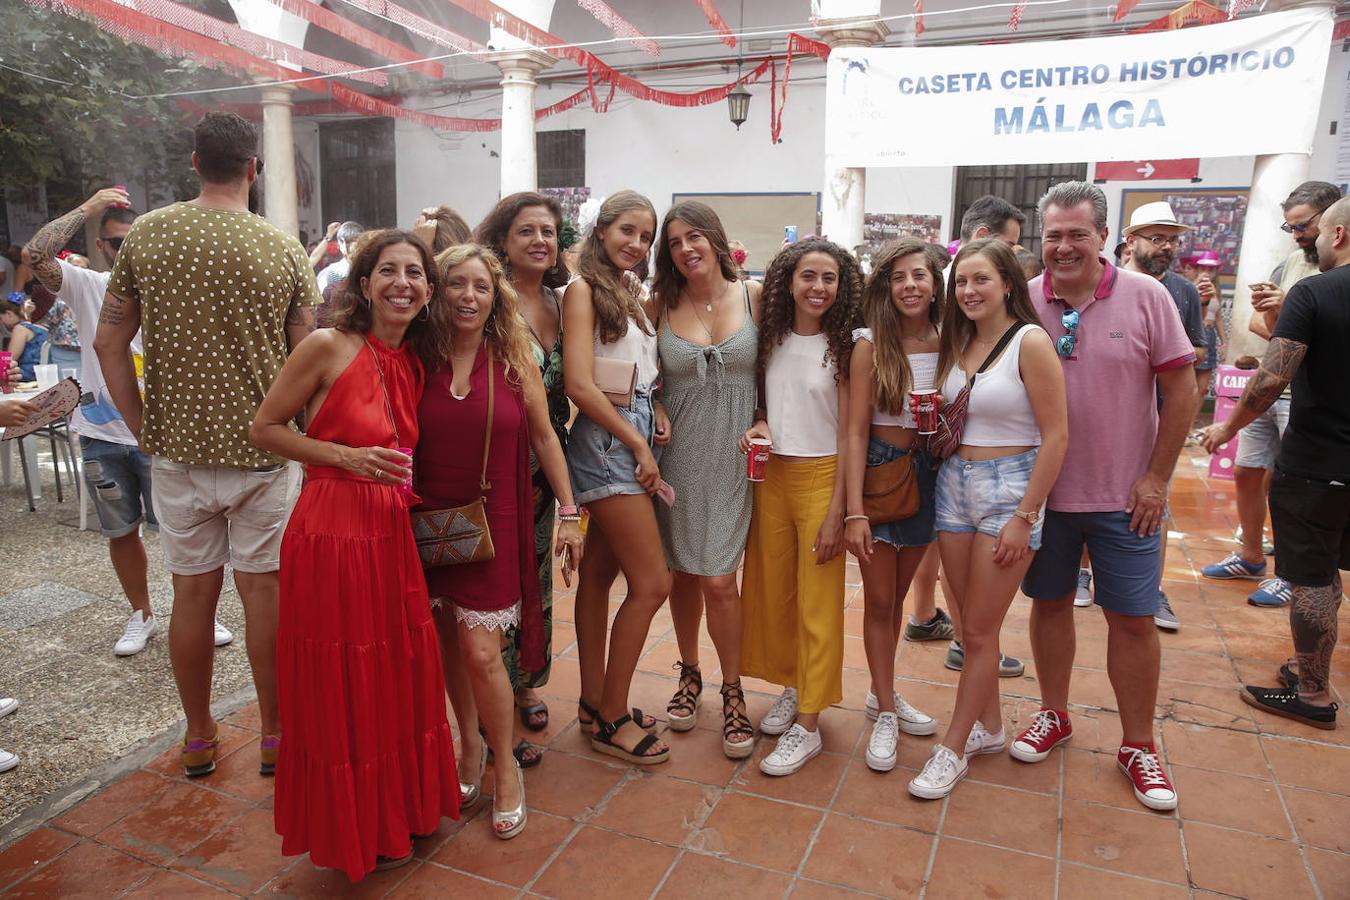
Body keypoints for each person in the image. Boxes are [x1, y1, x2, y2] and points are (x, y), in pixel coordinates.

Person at [94, 112, 320, 779]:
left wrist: (141, 428)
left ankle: (198, 736)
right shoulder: (282, 250)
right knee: (265, 596)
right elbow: (305, 358)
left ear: (195, 162)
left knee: (191, 598)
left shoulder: (149, 236)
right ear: (255, 167)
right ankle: (274, 735)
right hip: (262, 453)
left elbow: (110, 343)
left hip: (180, 456)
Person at [250, 230, 458, 878]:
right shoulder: (325, 346)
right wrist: (345, 455)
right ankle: (351, 830)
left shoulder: (415, 361)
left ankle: (398, 813)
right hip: (331, 532)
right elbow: (264, 428)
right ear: (363, 285)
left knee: (394, 672)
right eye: (388, 271)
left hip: (389, 536)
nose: (403, 282)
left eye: (415, 273)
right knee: (343, 681)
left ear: (428, 291)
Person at [1016, 181, 1196, 813]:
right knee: (1049, 605)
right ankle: (1053, 713)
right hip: (1045, 496)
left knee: (1133, 618)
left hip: (1128, 498)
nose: (1064, 247)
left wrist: (1156, 478)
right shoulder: (1023, 300)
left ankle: (1139, 744)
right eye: (1053, 236)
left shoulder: (1148, 297)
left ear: (1102, 238)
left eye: (1077, 235)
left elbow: (1183, 392)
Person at [23, 187, 234, 656]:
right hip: (102, 432)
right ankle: (141, 614)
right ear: (102, 246)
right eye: (118, 243)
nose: (127, 251)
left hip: (164, 435)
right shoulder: (87, 285)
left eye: (134, 240)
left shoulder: (171, 284)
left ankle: (199, 611)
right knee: (121, 531)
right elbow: (35, 254)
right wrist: (91, 208)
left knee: (187, 532)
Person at [418, 243, 584, 838]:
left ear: (496, 297)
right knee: (448, 648)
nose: (468, 296)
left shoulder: (514, 357)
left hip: (494, 522)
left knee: (484, 653)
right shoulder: (419, 355)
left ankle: (504, 763)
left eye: (481, 287)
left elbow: (545, 438)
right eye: (456, 284)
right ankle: (469, 747)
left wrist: (569, 511)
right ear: (438, 292)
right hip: (427, 524)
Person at [907, 239, 1067, 799]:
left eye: (980, 280)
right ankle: (991, 728)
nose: (969, 291)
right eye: (961, 283)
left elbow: (1057, 437)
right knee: (970, 619)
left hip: (1009, 490)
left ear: (1006, 283)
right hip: (954, 485)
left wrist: (1027, 515)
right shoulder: (959, 341)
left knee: (976, 631)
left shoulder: (1031, 342)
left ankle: (952, 747)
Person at [1200, 196, 1350, 731]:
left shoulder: (1314, 291)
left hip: (1315, 464)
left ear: (1337, 235)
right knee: (1328, 573)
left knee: (1310, 579)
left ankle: (1312, 692)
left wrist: (1227, 427)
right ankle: (1306, 667)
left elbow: (1270, 379)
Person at [739, 238, 860, 776]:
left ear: (842, 285)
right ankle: (794, 683)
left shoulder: (852, 347)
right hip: (773, 477)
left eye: (829, 278)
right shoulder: (771, 338)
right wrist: (761, 422)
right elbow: (768, 401)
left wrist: (841, 509)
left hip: (823, 476)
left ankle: (809, 723)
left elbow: (854, 434)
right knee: (774, 592)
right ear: (788, 280)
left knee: (818, 601)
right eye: (808, 276)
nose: (818, 287)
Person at [563, 190, 673, 765]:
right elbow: (579, 384)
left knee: (601, 576)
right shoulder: (583, 290)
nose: (637, 244)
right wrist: (636, 442)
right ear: (602, 230)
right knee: (654, 583)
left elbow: (632, 373)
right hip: (608, 445)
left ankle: (591, 700)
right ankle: (612, 716)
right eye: (628, 231)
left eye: (646, 236)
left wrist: (651, 411)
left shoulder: (626, 293)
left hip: (625, 427)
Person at [651, 200, 762, 759]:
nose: (686, 248)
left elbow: (774, 369)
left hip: (737, 455)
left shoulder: (755, 296)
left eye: (694, 236)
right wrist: (655, 407)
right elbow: (638, 371)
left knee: (720, 578)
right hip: (678, 457)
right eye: (674, 242)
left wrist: (764, 416)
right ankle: (689, 672)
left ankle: (733, 689)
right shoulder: (659, 304)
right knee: (682, 574)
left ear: (716, 239)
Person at [474, 192, 573, 756]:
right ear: (504, 241)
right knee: (498, 585)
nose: (540, 240)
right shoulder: (488, 300)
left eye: (548, 232)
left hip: (549, 460)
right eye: (526, 231)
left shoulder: (564, 303)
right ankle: (496, 707)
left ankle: (526, 680)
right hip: (499, 463)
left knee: (537, 582)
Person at [842, 238, 944, 773]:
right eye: (899, 276)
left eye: (920, 275)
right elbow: (855, 432)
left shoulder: (953, 340)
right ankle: (885, 707)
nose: (910, 285)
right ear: (885, 286)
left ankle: (882, 689)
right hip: (881, 469)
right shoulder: (868, 344)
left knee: (900, 595)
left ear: (934, 283)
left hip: (931, 472)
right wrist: (854, 509)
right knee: (880, 600)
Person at [1121, 201, 1207, 632]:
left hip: (1160, 417)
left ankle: (1151, 590)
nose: (1167, 247)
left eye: (1173, 240)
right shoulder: (1106, 285)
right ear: (1130, 240)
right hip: (1110, 419)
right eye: (1157, 238)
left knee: (1154, 506)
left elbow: (1199, 355)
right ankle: (1082, 574)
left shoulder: (1183, 292)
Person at [1181, 251, 1225, 403]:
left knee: (1203, 388)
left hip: (1210, 336)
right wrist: (1195, 288)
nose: (1207, 273)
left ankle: (1191, 423)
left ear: (1216, 271)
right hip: (1191, 336)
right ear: (1197, 269)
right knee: (1186, 385)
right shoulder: (1188, 287)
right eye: (1203, 268)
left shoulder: (1216, 290)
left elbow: (1218, 317)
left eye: (1211, 269)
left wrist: (1225, 343)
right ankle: (1182, 421)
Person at [0, 293, 48, 380]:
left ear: (9, 314)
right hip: (43, 375)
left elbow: (9, 360)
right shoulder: (43, 327)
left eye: (1, 318)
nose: (2, 323)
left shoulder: (20, 329)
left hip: (25, 377)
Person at [317, 221, 365, 296]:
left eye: (356, 241)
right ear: (339, 244)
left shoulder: (370, 267)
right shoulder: (334, 271)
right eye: (349, 242)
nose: (353, 246)